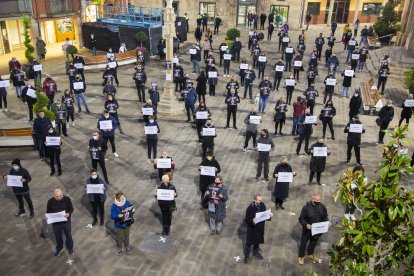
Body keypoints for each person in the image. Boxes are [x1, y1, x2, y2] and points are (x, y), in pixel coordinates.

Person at [298, 194, 329, 265]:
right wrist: (306, 224)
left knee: (313, 243)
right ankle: (301, 256)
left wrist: (327, 222)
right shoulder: (306, 208)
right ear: (312, 199)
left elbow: (325, 217)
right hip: (307, 231)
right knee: (303, 243)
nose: (318, 202)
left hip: (317, 231)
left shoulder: (322, 207)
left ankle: (310, 254)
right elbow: (301, 219)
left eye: (319, 200)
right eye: (316, 200)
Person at [244, 194, 273, 263]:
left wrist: (269, 216)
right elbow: (247, 220)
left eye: (261, 200)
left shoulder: (263, 205)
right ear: (255, 200)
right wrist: (252, 221)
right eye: (259, 200)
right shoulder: (249, 209)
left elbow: (264, 215)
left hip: (260, 228)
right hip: (252, 229)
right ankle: (247, 256)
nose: (261, 201)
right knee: (249, 243)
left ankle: (255, 252)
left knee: (257, 241)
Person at [46, 189, 74, 257]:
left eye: (60, 196)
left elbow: (71, 209)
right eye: (57, 196)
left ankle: (70, 248)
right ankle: (59, 248)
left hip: (66, 221)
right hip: (56, 222)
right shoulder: (50, 201)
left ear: (62, 194)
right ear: (54, 195)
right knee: (57, 236)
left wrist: (68, 213)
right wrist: (48, 216)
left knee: (69, 235)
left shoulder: (67, 199)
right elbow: (48, 211)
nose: (59, 197)